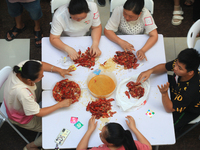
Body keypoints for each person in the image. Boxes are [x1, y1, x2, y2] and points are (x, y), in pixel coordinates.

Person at [4, 60, 74, 150]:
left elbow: (41, 65)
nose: (43, 76)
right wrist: (60, 105)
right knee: (54, 127)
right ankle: (31, 146)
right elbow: (38, 113)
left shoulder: (23, 66)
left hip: (20, 102)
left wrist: (59, 70)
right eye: (41, 76)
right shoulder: (23, 93)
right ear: (30, 80)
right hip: (21, 117)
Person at [136, 48, 200, 136]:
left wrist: (164, 94)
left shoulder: (189, 92)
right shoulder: (181, 63)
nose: (175, 68)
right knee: (156, 80)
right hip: (177, 87)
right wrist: (150, 71)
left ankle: (175, 131)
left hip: (189, 109)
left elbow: (169, 108)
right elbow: (165, 67)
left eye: (179, 68)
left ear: (190, 72)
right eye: (176, 63)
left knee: (167, 125)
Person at [77, 116, 152, 150]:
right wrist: (134, 128)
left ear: (110, 143)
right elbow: (149, 147)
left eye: (101, 136)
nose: (99, 134)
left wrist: (89, 130)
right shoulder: (131, 143)